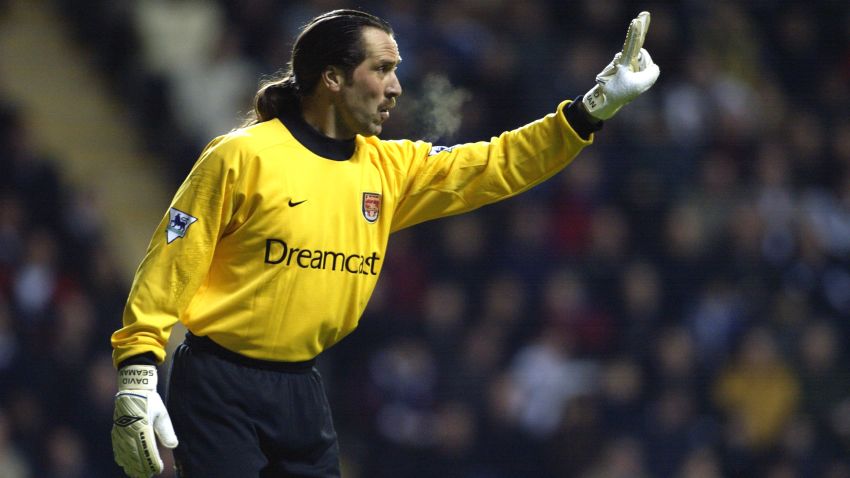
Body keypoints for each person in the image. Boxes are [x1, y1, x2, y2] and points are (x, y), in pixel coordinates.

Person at [110, 8, 659, 478]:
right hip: (218, 385)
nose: (396, 86)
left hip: (302, 386)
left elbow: (497, 162)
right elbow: (172, 258)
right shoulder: (242, 156)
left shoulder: (389, 169)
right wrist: (138, 370)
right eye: (383, 69)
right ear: (333, 78)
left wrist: (589, 111)